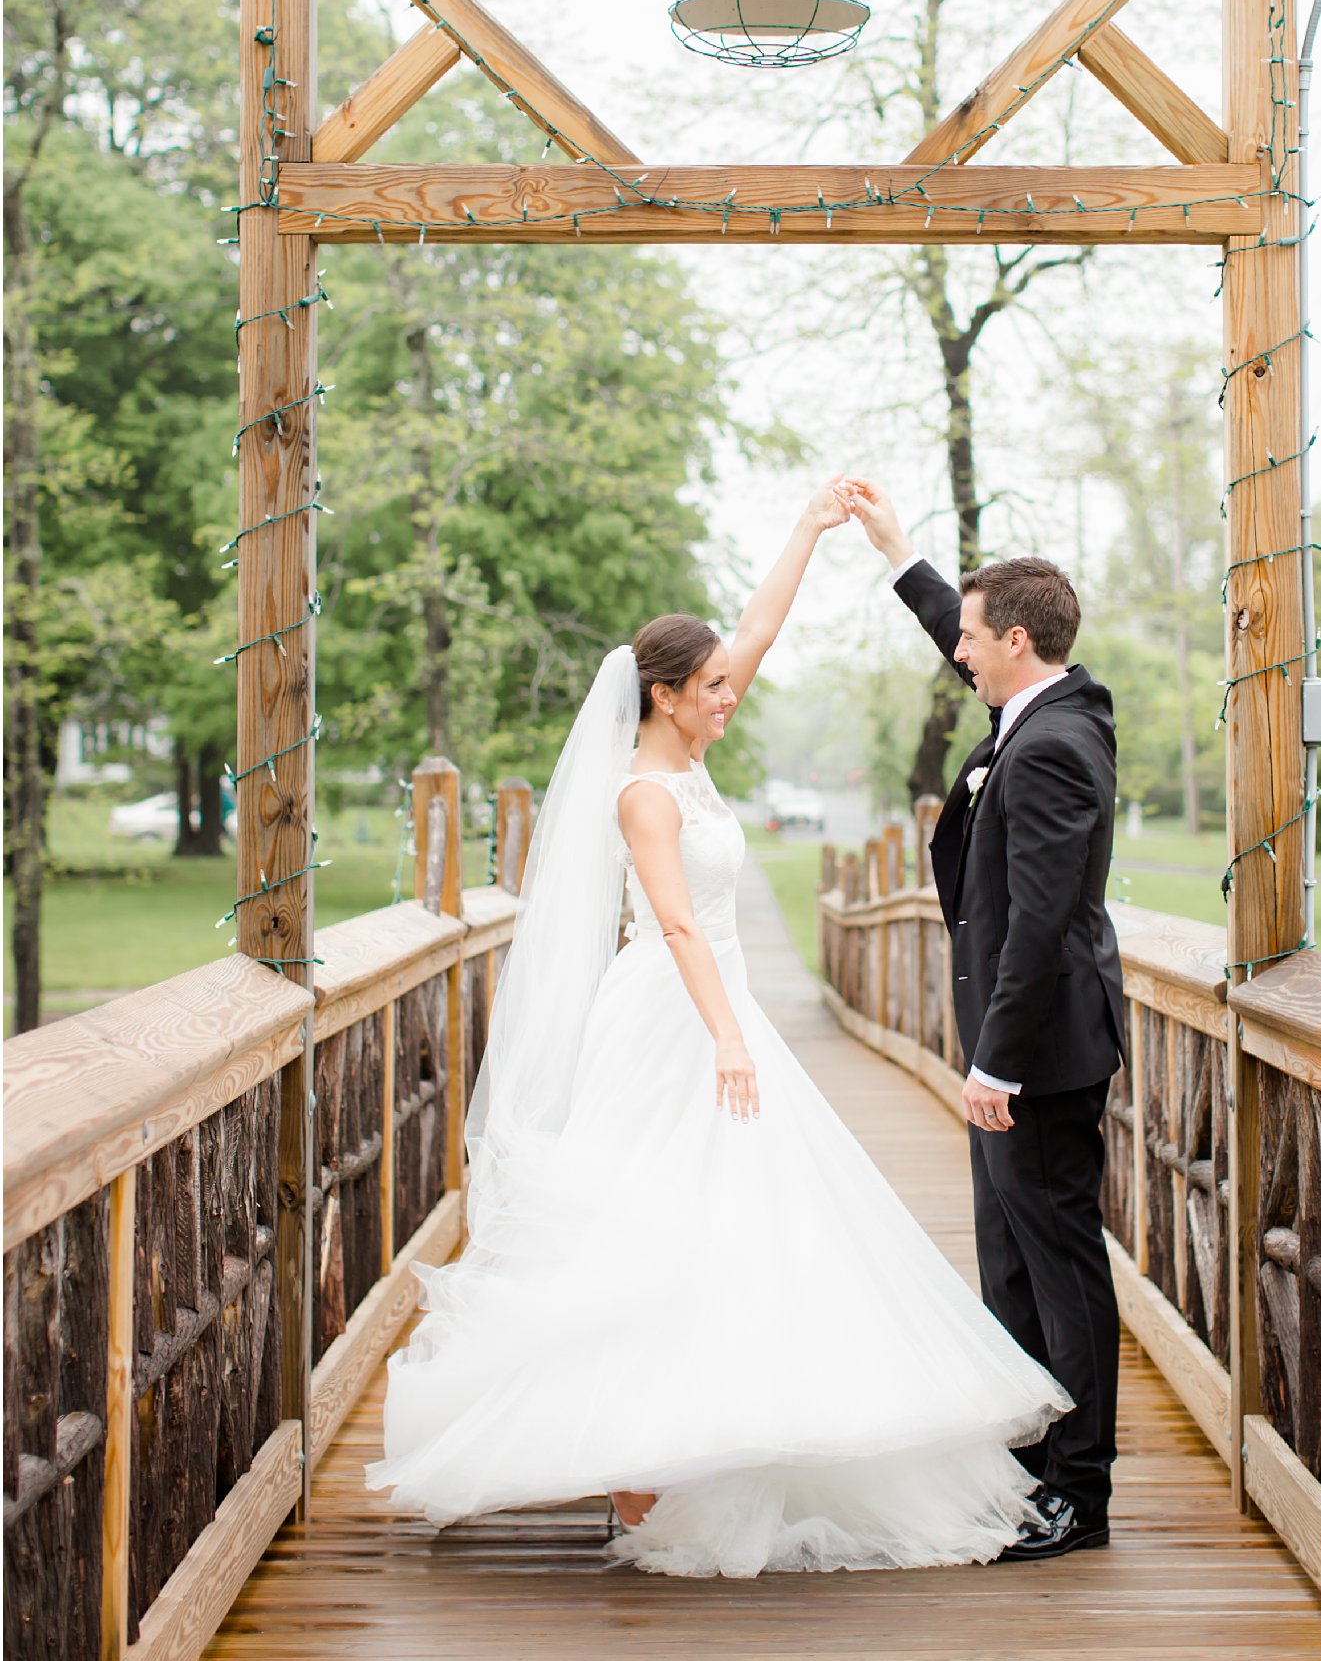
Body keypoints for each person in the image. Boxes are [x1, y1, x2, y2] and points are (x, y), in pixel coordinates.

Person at [365, 480, 1071, 1579]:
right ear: (660, 697)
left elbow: (755, 629)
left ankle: (713, 1436)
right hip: (673, 1015)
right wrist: (729, 1037)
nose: (729, 697)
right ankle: (636, 1466)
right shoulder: (644, 794)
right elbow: (681, 926)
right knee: (651, 1226)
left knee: (742, 1218)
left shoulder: (690, 755)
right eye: (711, 691)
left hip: (721, 1005)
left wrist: (807, 531)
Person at [840, 479, 1126, 1560]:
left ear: (1012, 639)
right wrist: (898, 552)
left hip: (1037, 1058)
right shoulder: (1032, 708)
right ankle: (1027, 1460)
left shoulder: (1052, 746)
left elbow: (1043, 924)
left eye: (968, 636)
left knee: (1058, 1267)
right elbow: (953, 634)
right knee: (1007, 1263)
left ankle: (1079, 1493)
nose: (955, 653)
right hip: (1011, 1051)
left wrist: (995, 1065)